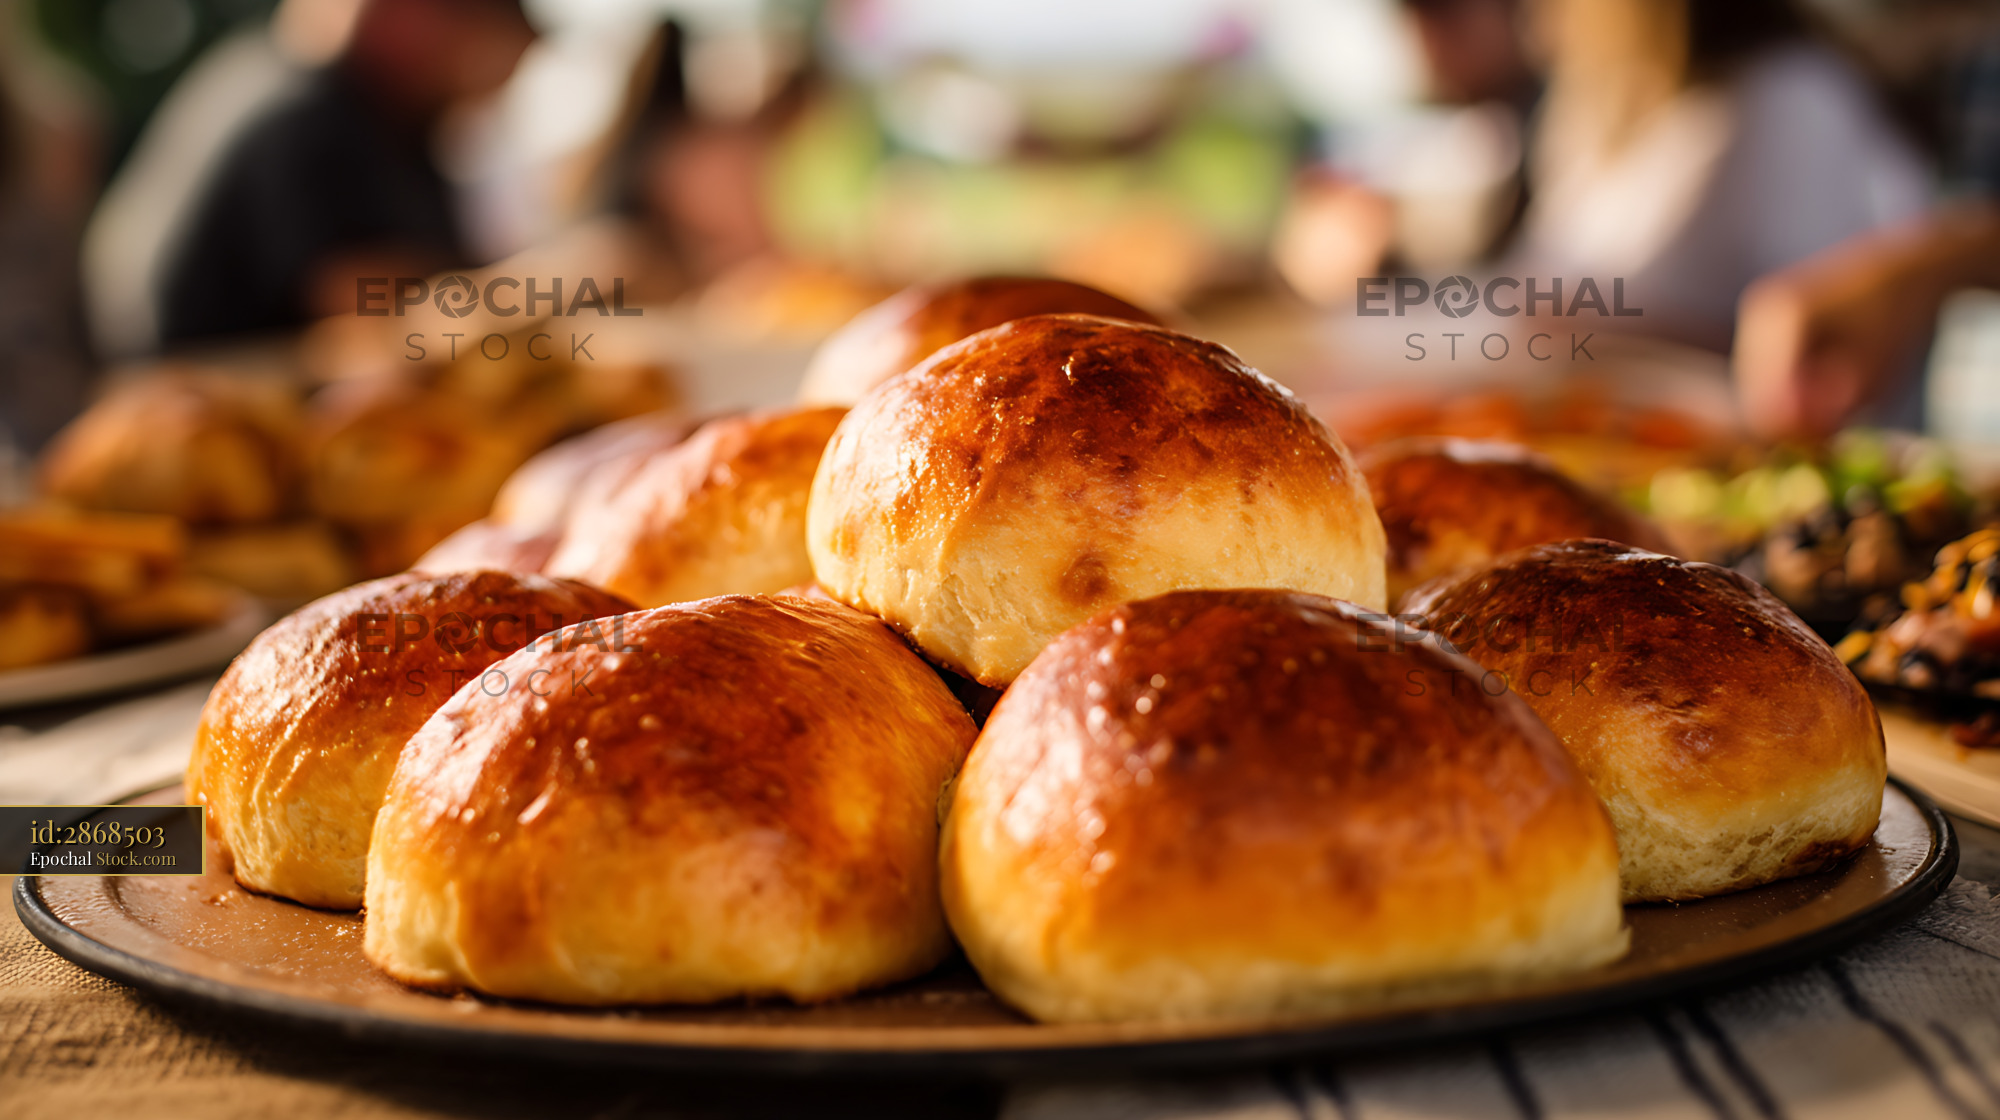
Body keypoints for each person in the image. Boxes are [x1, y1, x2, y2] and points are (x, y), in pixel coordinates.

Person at [154, 0, 536, 344]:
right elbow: (351, 301)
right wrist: (526, 283)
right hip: (209, 388)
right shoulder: (310, 113)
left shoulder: (403, 127)